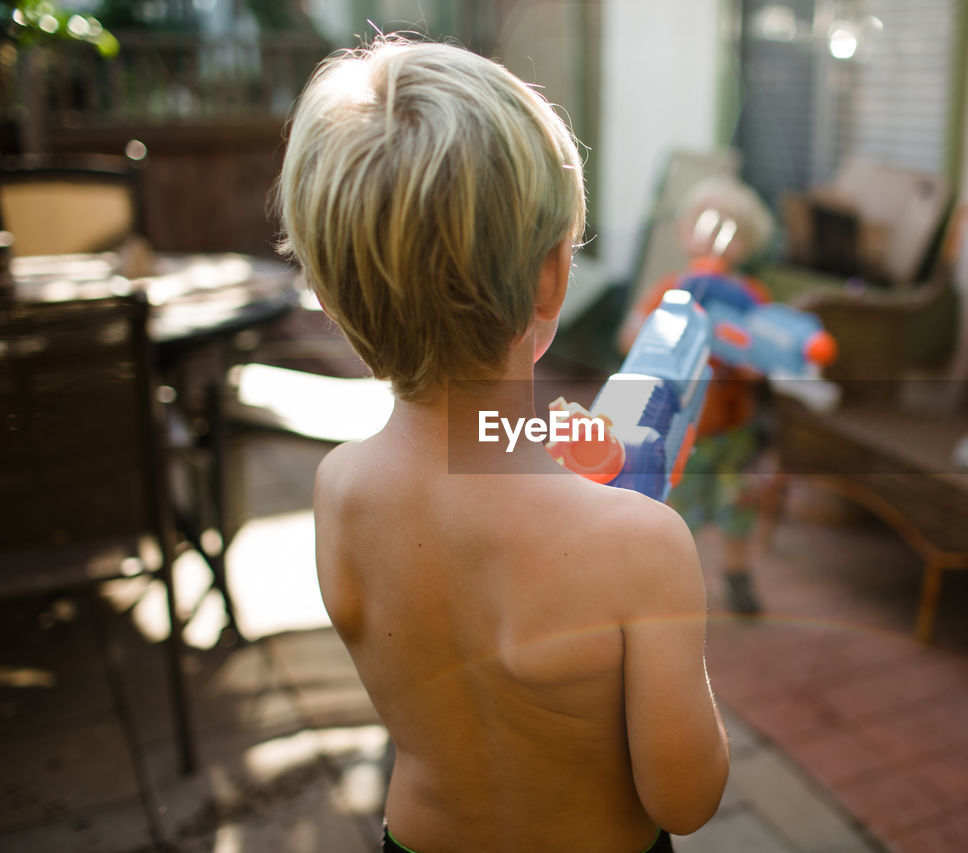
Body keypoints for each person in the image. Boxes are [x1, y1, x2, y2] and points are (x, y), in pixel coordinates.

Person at [276, 39, 729, 853]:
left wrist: (546, 442)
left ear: (339, 300)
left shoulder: (338, 488)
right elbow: (685, 796)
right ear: (552, 278)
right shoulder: (640, 545)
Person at [617, 176, 777, 616]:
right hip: (679, 432)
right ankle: (671, 587)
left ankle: (737, 573)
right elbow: (628, 336)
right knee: (676, 513)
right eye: (705, 223)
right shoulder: (670, 289)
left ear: (748, 244)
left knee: (737, 507)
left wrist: (745, 353)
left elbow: (762, 361)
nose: (716, 237)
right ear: (684, 231)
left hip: (732, 430)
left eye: (731, 229)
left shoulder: (750, 298)